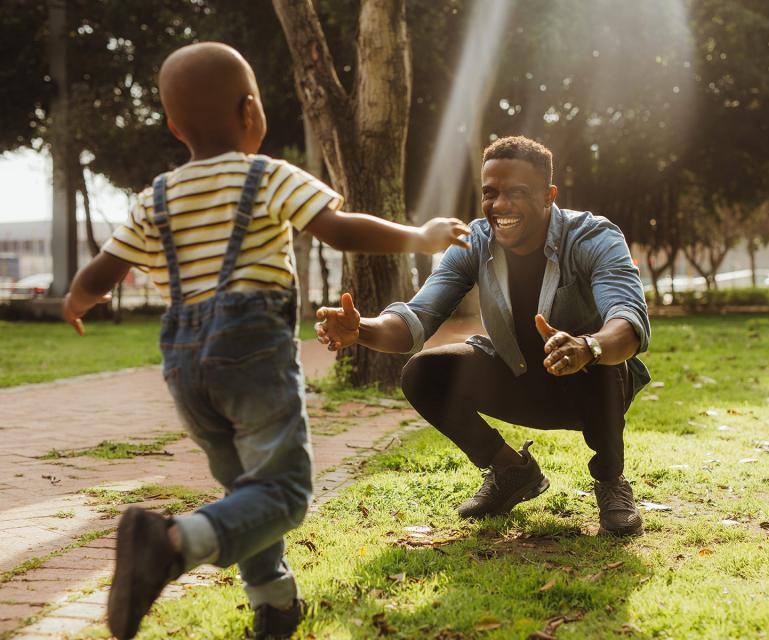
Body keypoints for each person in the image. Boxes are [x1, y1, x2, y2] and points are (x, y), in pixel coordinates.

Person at [62, 42, 469, 640]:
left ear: (175, 127)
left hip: (183, 364)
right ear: (250, 110)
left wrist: (75, 300)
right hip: (249, 354)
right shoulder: (266, 174)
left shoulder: (155, 198)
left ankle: (275, 603)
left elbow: (101, 273)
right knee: (284, 492)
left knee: (247, 490)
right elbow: (339, 230)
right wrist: (421, 236)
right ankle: (171, 543)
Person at [316, 136, 651, 536]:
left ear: (548, 196)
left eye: (517, 193)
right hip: (519, 378)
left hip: (590, 386)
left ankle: (611, 482)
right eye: (490, 193)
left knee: (598, 354)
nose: (500, 206)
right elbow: (417, 318)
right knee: (422, 373)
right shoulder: (472, 243)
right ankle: (511, 471)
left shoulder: (592, 237)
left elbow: (627, 320)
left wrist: (587, 347)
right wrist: (362, 330)